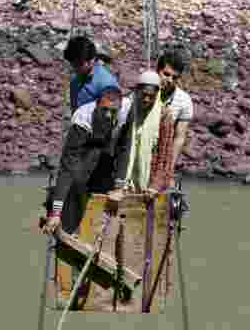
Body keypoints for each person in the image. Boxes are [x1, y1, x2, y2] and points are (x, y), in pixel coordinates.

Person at [41, 84, 129, 237]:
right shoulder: (82, 118)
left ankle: (101, 224)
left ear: (120, 108)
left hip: (109, 146)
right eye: (104, 110)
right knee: (78, 178)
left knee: (106, 173)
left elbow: (124, 150)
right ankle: (73, 222)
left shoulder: (125, 113)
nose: (108, 115)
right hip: (87, 148)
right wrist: (56, 212)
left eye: (113, 111)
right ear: (97, 105)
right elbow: (67, 166)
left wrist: (119, 187)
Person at [116, 70, 177, 198]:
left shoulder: (164, 115)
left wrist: (155, 185)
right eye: (143, 95)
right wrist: (118, 183)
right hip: (125, 183)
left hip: (149, 186)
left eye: (151, 96)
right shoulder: (127, 110)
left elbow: (165, 155)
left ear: (157, 94)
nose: (146, 99)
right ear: (137, 91)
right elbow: (119, 147)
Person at [156, 45, 195, 177]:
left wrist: (169, 167)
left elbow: (179, 137)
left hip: (163, 149)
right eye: (166, 74)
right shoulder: (143, 92)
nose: (169, 80)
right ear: (158, 71)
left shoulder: (184, 101)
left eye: (174, 77)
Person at [64, 34, 118, 112]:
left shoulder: (106, 84)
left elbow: (109, 118)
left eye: (79, 64)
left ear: (91, 60)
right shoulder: (75, 81)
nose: (75, 68)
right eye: (73, 64)